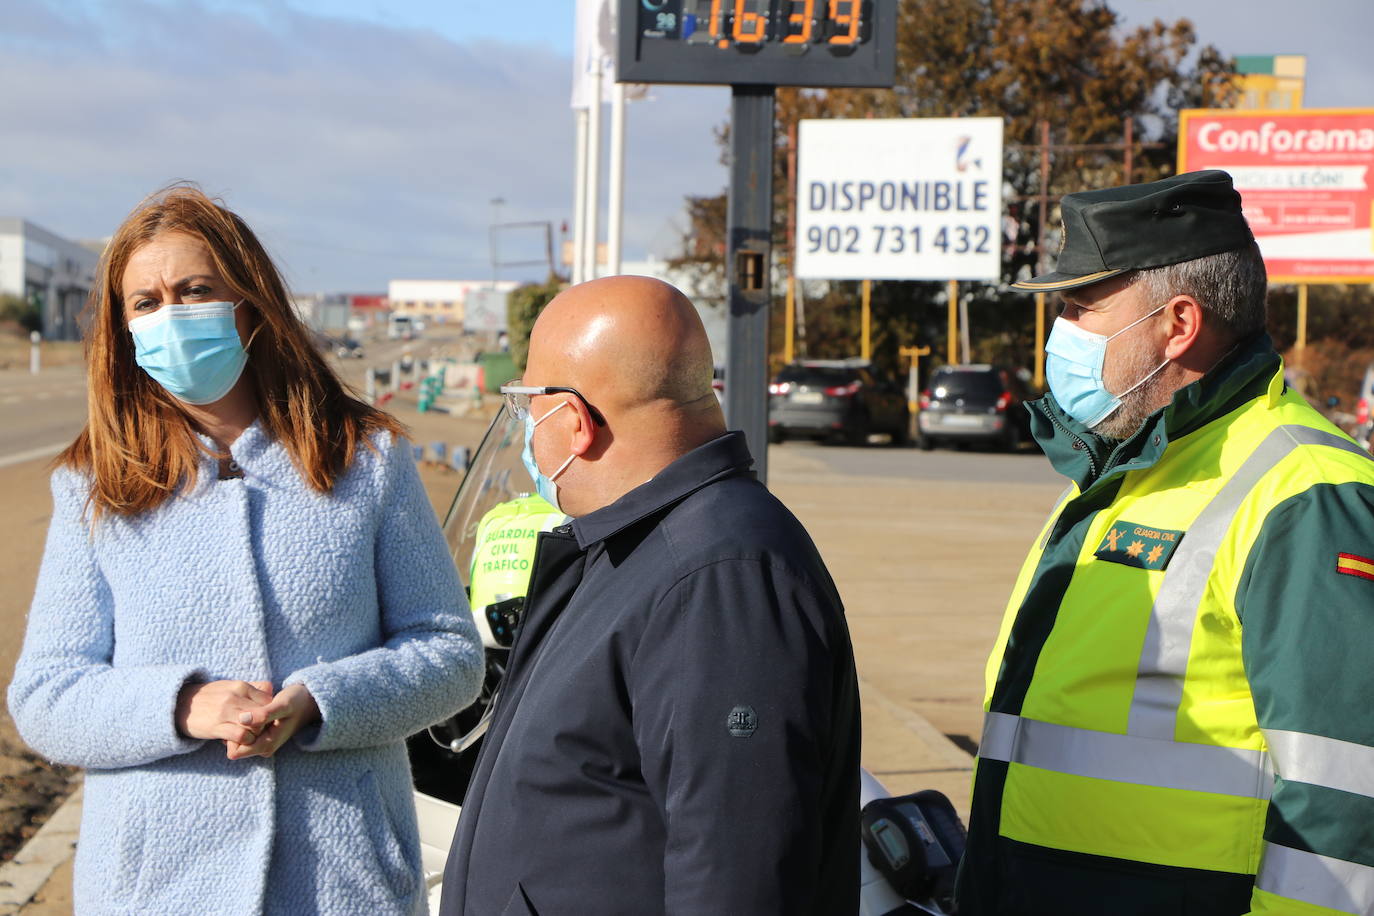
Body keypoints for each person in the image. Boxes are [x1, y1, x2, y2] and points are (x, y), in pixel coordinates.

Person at [8, 185, 484, 915]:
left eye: (195, 290)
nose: (170, 315)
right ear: (123, 327)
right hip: (154, 890)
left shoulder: (368, 458)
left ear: (251, 305)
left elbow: (449, 654)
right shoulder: (94, 483)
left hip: (345, 884)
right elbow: (46, 695)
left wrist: (321, 702)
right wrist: (183, 706)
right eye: (146, 302)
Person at [956, 170, 1374, 914]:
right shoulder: (1122, 469)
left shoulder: (1306, 495)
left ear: (1178, 325)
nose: (1061, 334)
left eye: (1081, 308)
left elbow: (1345, 803)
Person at [439, 276, 861, 916]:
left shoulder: (720, 578)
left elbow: (736, 877)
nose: (527, 431)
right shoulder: (638, 545)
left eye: (529, 408)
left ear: (575, 422)